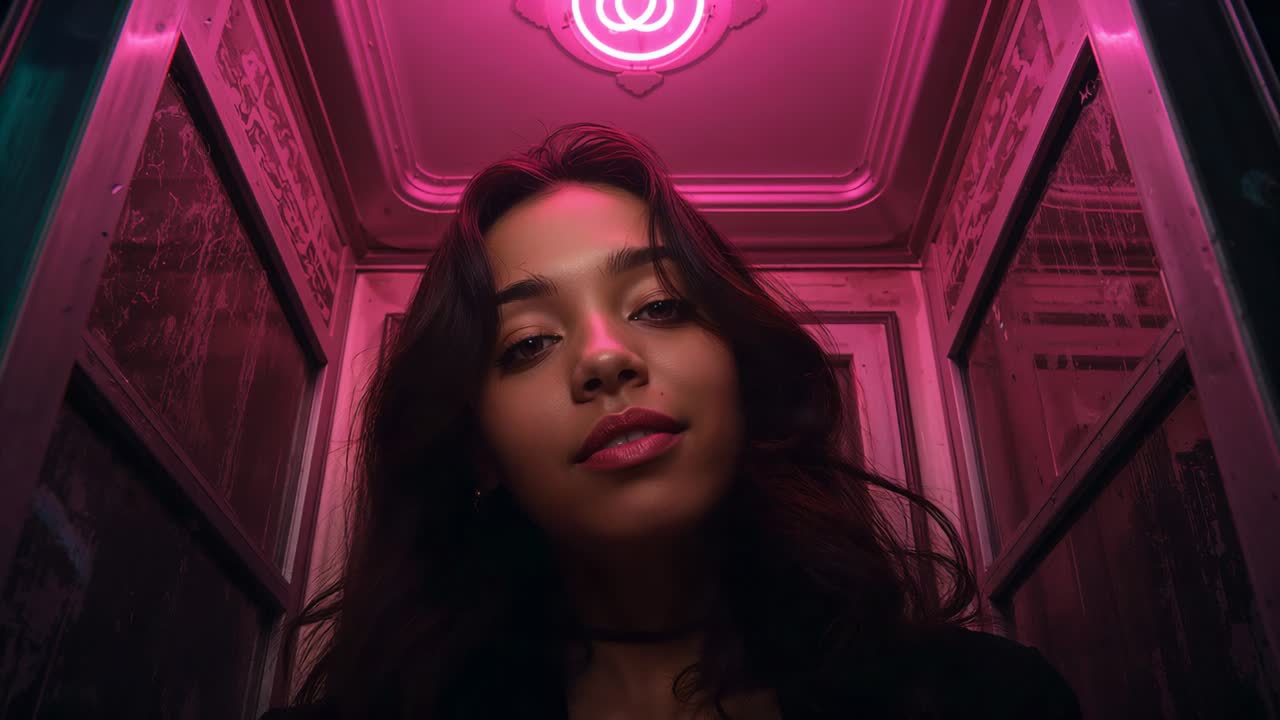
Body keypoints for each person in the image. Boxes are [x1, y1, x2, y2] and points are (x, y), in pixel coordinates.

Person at [261, 123, 1080, 719]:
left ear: (743, 378)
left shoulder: (987, 703)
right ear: (477, 448)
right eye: (529, 342)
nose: (605, 358)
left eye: (658, 304)